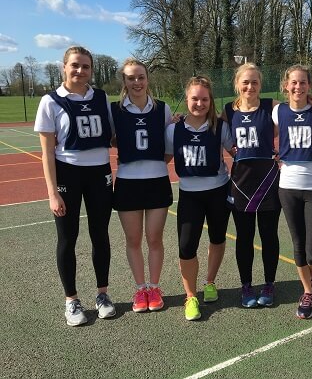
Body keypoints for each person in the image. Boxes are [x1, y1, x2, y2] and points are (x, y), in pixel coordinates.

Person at [34, 46, 115, 326]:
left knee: (100, 234)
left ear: (92, 70)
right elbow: (47, 153)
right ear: (64, 67)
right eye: (75, 65)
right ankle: (71, 300)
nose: (80, 71)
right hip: (68, 174)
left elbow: (115, 136)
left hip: (100, 174)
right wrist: (52, 192)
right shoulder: (51, 101)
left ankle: (103, 295)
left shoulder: (102, 98)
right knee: (67, 239)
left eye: (86, 66)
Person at [165, 76, 234, 321]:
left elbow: (237, 151)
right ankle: (191, 296)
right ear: (187, 99)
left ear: (210, 100)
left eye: (204, 99)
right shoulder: (173, 129)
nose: (200, 103)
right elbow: (164, 159)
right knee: (186, 247)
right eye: (195, 98)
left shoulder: (221, 127)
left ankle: (210, 282)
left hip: (218, 191)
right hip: (189, 195)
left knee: (217, 238)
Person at [273, 65, 312, 319]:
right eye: (294, 83)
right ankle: (308, 290)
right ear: (286, 85)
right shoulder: (278, 111)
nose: (298, 87)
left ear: (310, 85)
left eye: (303, 83)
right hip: (287, 186)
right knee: (298, 243)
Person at [111, 59, 173, 313]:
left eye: (140, 77)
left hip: (157, 181)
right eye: (131, 78)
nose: (136, 82)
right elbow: (112, 139)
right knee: (133, 239)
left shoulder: (163, 109)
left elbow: (169, 147)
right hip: (127, 183)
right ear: (124, 82)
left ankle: (155, 287)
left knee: (154, 238)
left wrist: (155, 165)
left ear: (148, 79)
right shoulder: (114, 110)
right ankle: (140, 289)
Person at [222, 63, 281, 308]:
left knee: (269, 236)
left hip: (268, 181)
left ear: (260, 84)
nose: (250, 86)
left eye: (254, 82)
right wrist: (229, 149)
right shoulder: (228, 110)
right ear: (237, 84)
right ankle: (246, 286)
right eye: (245, 82)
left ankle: (269, 284)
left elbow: (297, 110)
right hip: (241, 183)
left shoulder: (271, 106)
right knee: (244, 238)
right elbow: (216, 131)